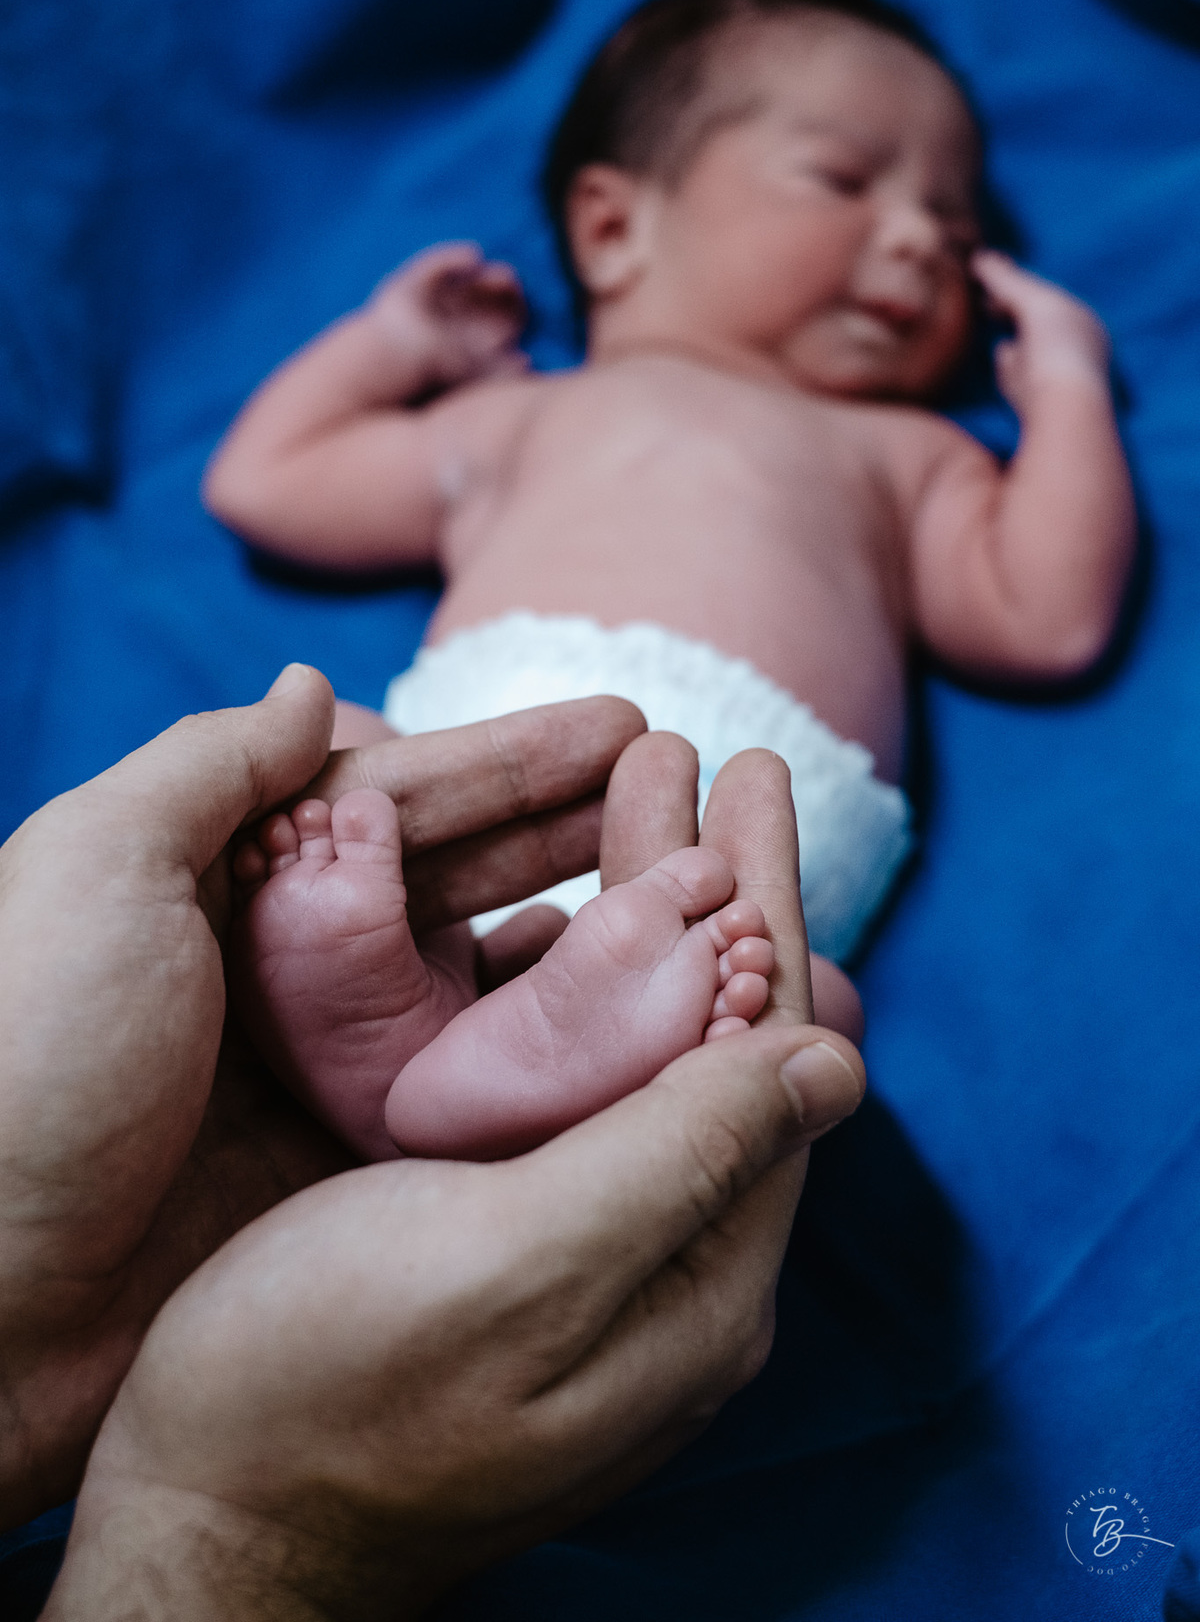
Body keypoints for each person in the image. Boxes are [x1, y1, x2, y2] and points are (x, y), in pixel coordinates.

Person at [202, 0, 1135, 1167]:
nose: (918, 241)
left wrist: (1064, 388)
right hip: (477, 795)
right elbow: (268, 483)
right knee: (343, 752)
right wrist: (396, 344)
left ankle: (448, 1055)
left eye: (958, 240)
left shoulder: (909, 456)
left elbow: (1048, 613)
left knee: (819, 1024)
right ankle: (402, 1017)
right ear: (613, 229)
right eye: (843, 181)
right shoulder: (526, 417)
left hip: (733, 869)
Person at [0, 665, 865, 1615]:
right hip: (680, 802)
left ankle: (418, 1056)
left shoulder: (494, 503)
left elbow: (272, 503)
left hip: (486, 728)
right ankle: (470, 1062)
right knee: (801, 1000)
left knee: (340, 785)